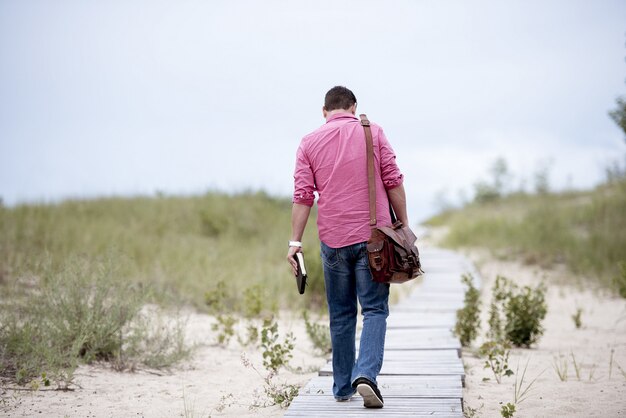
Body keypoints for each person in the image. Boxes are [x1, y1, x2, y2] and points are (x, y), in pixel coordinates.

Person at [287, 86, 409, 408]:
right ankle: (366, 373)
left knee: (341, 314)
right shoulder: (373, 132)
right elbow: (393, 179)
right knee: (374, 309)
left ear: (324, 111)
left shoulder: (308, 142)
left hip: (333, 240)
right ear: (354, 107)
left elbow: (303, 196)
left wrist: (295, 243)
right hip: (374, 239)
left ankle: (342, 387)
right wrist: (404, 225)